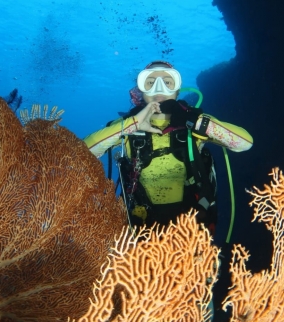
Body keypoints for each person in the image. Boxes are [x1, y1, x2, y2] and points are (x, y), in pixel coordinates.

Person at [83, 61, 252, 234]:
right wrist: (133, 124)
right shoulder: (127, 125)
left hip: (192, 226)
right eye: (150, 83)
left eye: (167, 82)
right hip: (141, 225)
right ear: (140, 91)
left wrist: (194, 121)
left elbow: (244, 143)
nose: (159, 89)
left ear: (177, 90)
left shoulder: (195, 123)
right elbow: (82, 152)